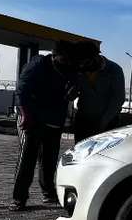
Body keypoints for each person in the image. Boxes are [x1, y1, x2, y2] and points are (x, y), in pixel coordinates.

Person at [11, 42, 80, 211]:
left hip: (54, 121)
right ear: (55, 55)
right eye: (65, 58)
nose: (68, 62)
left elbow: (75, 87)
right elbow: (22, 90)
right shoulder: (38, 65)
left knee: (49, 160)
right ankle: (19, 198)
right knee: (27, 158)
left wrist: (74, 91)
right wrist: (25, 114)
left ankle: (48, 194)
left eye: (70, 59)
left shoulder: (71, 69)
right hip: (31, 117)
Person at [72, 41, 126, 143]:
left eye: (86, 62)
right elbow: (76, 89)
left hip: (108, 123)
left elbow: (118, 99)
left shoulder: (114, 70)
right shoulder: (81, 69)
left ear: (95, 57)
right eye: (80, 63)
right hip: (83, 120)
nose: (83, 66)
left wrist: (103, 121)